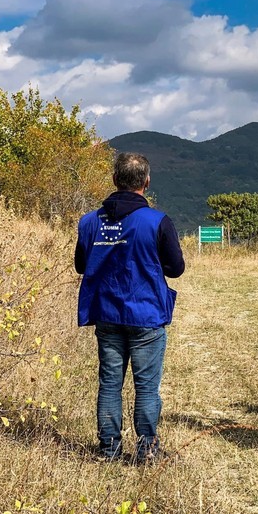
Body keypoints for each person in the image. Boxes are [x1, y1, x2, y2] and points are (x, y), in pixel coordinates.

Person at [75, 152, 185, 462]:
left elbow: (81, 264)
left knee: (110, 383)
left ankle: (108, 450)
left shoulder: (89, 222)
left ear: (114, 180)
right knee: (146, 387)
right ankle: (147, 451)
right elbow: (176, 269)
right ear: (146, 182)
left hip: (106, 314)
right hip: (146, 315)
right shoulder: (158, 221)